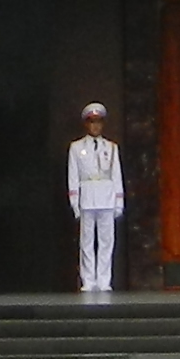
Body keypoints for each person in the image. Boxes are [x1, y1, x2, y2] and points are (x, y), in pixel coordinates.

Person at [65, 102, 124, 295]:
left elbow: (116, 175)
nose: (95, 126)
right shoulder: (76, 148)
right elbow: (73, 175)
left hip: (106, 196)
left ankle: (104, 280)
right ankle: (88, 280)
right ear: (86, 124)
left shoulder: (112, 148)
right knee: (87, 241)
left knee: (107, 241)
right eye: (92, 122)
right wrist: (75, 202)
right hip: (87, 197)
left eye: (98, 122)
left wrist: (119, 201)